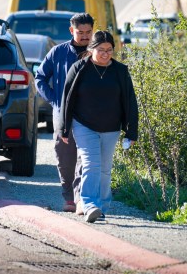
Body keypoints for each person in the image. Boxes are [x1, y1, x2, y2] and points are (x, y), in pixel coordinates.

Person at [57, 30, 139, 223]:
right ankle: (88, 204)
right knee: (91, 164)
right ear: (91, 49)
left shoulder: (120, 71)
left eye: (109, 50)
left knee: (105, 169)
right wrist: (64, 128)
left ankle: (101, 206)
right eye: (101, 49)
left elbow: (130, 101)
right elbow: (67, 99)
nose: (105, 53)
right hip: (84, 125)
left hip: (111, 127)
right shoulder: (79, 69)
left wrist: (131, 131)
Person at [35, 13, 94, 213]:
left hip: (90, 115)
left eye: (88, 32)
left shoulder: (98, 53)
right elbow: (40, 78)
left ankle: (80, 198)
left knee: (85, 157)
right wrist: (55, 100)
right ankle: (68, 196)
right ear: (71, 31)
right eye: (80, 32)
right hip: (63, 115)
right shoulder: (58, 53)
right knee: (66, 158)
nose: (85, 36)